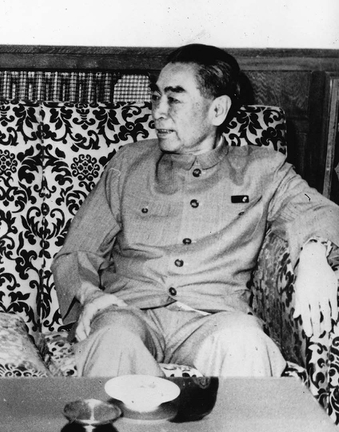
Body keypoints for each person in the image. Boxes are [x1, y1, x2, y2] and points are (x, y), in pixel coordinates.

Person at [51, 43, 339, 377]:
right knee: (112, 343)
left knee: (248, 345)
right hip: (129, 313)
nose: (158, 111)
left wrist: (315, 255)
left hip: (215, 320)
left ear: (217, 110)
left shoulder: (262, 168)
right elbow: (77, 252)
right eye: (156, 97)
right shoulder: (128, 163)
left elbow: (320, 210)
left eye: (174, 99)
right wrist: (90, 296)